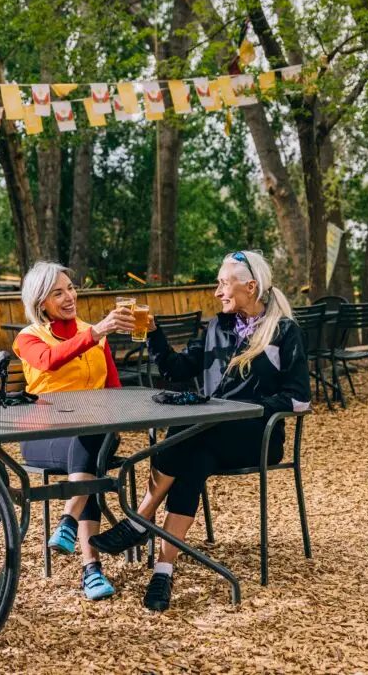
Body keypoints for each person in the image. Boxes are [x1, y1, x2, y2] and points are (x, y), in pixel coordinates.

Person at [89, 250, 311, 611]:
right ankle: (163, 570)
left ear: (250, 286)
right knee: (191, 460)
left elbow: (300, 399)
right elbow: (177, 368)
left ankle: (139, 520)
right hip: (208, 436)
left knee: (188, 432)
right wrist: (154, 333)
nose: (217, 291)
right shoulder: (218, 327)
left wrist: (246, 409)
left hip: (257, 439)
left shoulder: (284, 332)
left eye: (224, 283)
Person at [13, 261, 135, 600]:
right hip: (44, 436)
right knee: (89, 457)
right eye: (58, 293)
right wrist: (95, 333)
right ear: (41, 303)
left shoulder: (93, 333)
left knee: (90, 434)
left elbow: (112, 388)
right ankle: (90, 568)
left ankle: (74, 533)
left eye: (70, 289)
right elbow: (50, 360)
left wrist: (96, 335)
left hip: (95, 431)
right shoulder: (28, 338)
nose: (70, 297)